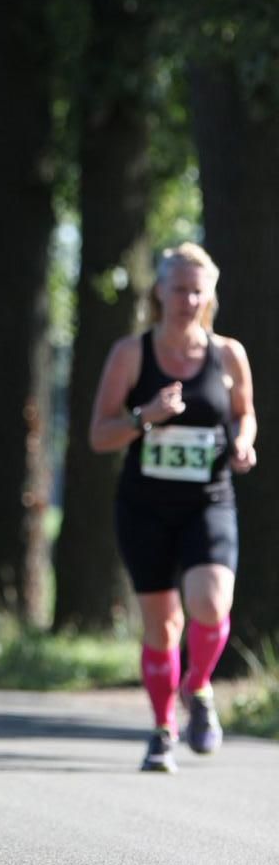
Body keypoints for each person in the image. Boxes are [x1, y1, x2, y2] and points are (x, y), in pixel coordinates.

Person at [89, 242, 257, 774]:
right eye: (178, 288)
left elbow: (244, 414)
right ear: (159, 292)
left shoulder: (227, 354)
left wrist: (244, 442)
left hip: (208, 499)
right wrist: (146, 416)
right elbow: (100, 435)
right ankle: (164, 729)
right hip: (145, 507)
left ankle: (199, 686)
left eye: (196, 290)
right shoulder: (131, 354)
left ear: (210, 295)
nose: (187, 299)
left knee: (210, 602)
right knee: (162, 628)